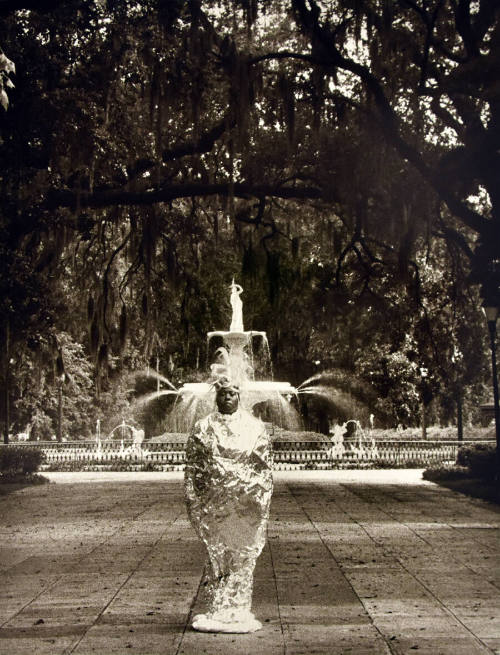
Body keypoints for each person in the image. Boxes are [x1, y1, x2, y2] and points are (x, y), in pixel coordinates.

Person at [184, 376, 273, 633]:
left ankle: (239, 606)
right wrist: (197, 500)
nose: (227, 398)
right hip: (215, 505)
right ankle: (218, 607)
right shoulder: (203, 427)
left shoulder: (254, 428)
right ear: (217, 397)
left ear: (238, 397)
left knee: (242, 557)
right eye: (223, 394)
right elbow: (194, 468)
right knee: (217, 555)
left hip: (244, 503)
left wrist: (256, 499)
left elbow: (263, 466)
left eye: (232, 394)